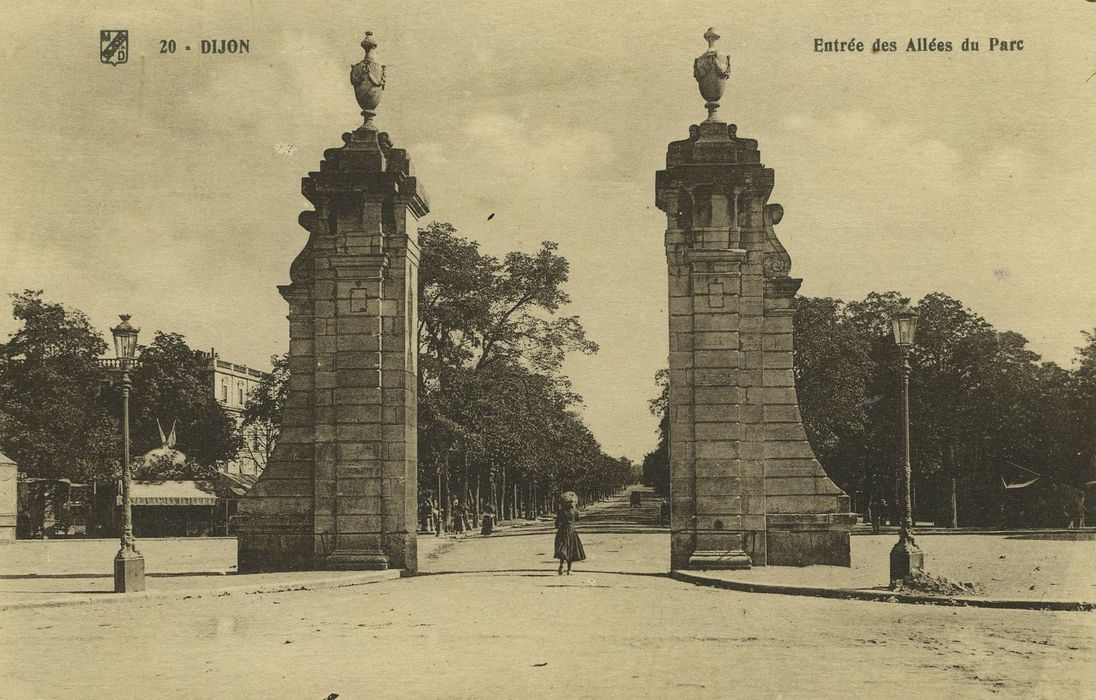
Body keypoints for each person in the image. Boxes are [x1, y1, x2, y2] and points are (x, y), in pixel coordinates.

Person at [553, 492, 586, 575]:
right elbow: (578, 519)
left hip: (562, 531)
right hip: (571, 531)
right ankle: (569, 569)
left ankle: (561, 566)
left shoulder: (561, 511)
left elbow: (557, 524)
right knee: (571, 549)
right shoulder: (574, 511)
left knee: (563, 548)